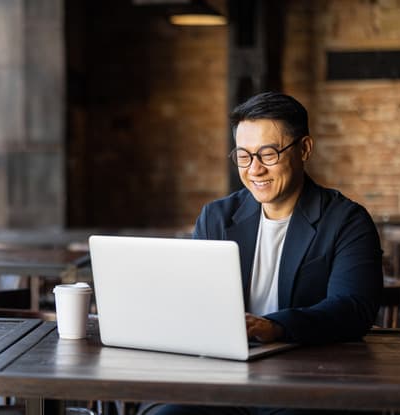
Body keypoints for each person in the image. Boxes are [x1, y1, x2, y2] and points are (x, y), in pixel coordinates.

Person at [152, 92, 383, 415]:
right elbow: (194, 300)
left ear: (304, 149)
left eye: (268, 154)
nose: (254, 170)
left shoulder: (346, 220)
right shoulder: (216, 217)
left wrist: (274, 326)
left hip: (307, 378)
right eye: (244, 156)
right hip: (224, 376)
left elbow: (353, 308)